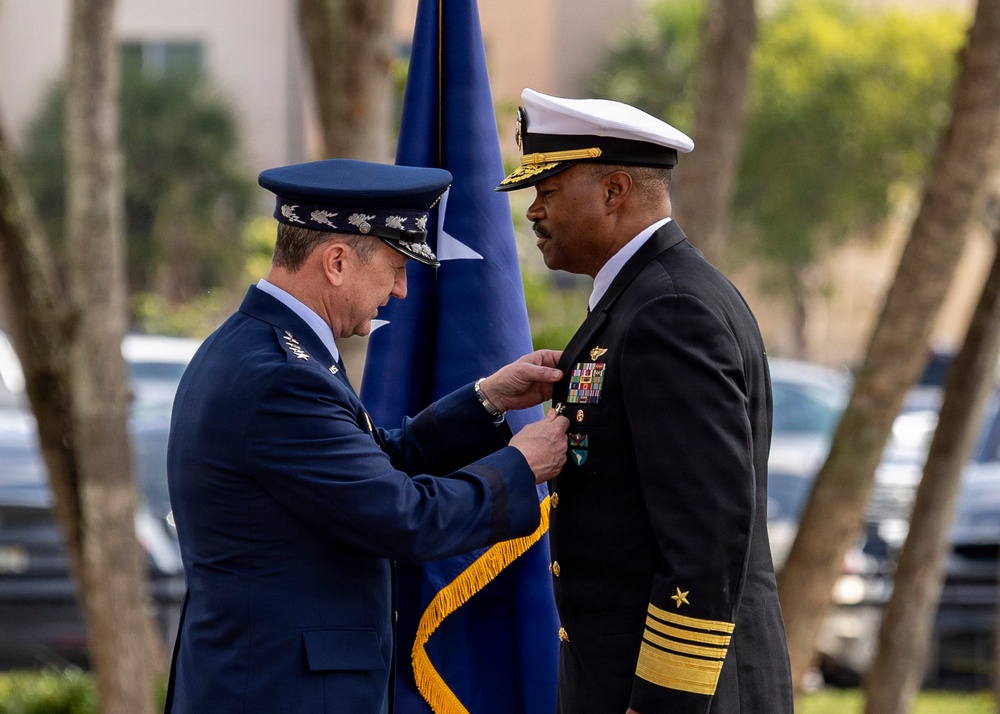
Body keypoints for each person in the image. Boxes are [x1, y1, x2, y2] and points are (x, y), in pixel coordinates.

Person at [164, 158, 570, 714]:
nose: (402, 289)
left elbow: (372, 465)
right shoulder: (282, 377)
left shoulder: (256, 347)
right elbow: (403, 516)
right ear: (335, 262)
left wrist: (487, 399)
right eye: (396, 266)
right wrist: (522, 467)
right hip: (281, 694)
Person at [496, 89, 793, 713]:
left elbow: (706, 534)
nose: (533, 212)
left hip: (672, 692)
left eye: (547, 193)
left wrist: (662, 702)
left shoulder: (670, 311)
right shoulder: (644, 299)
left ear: (614, 191)